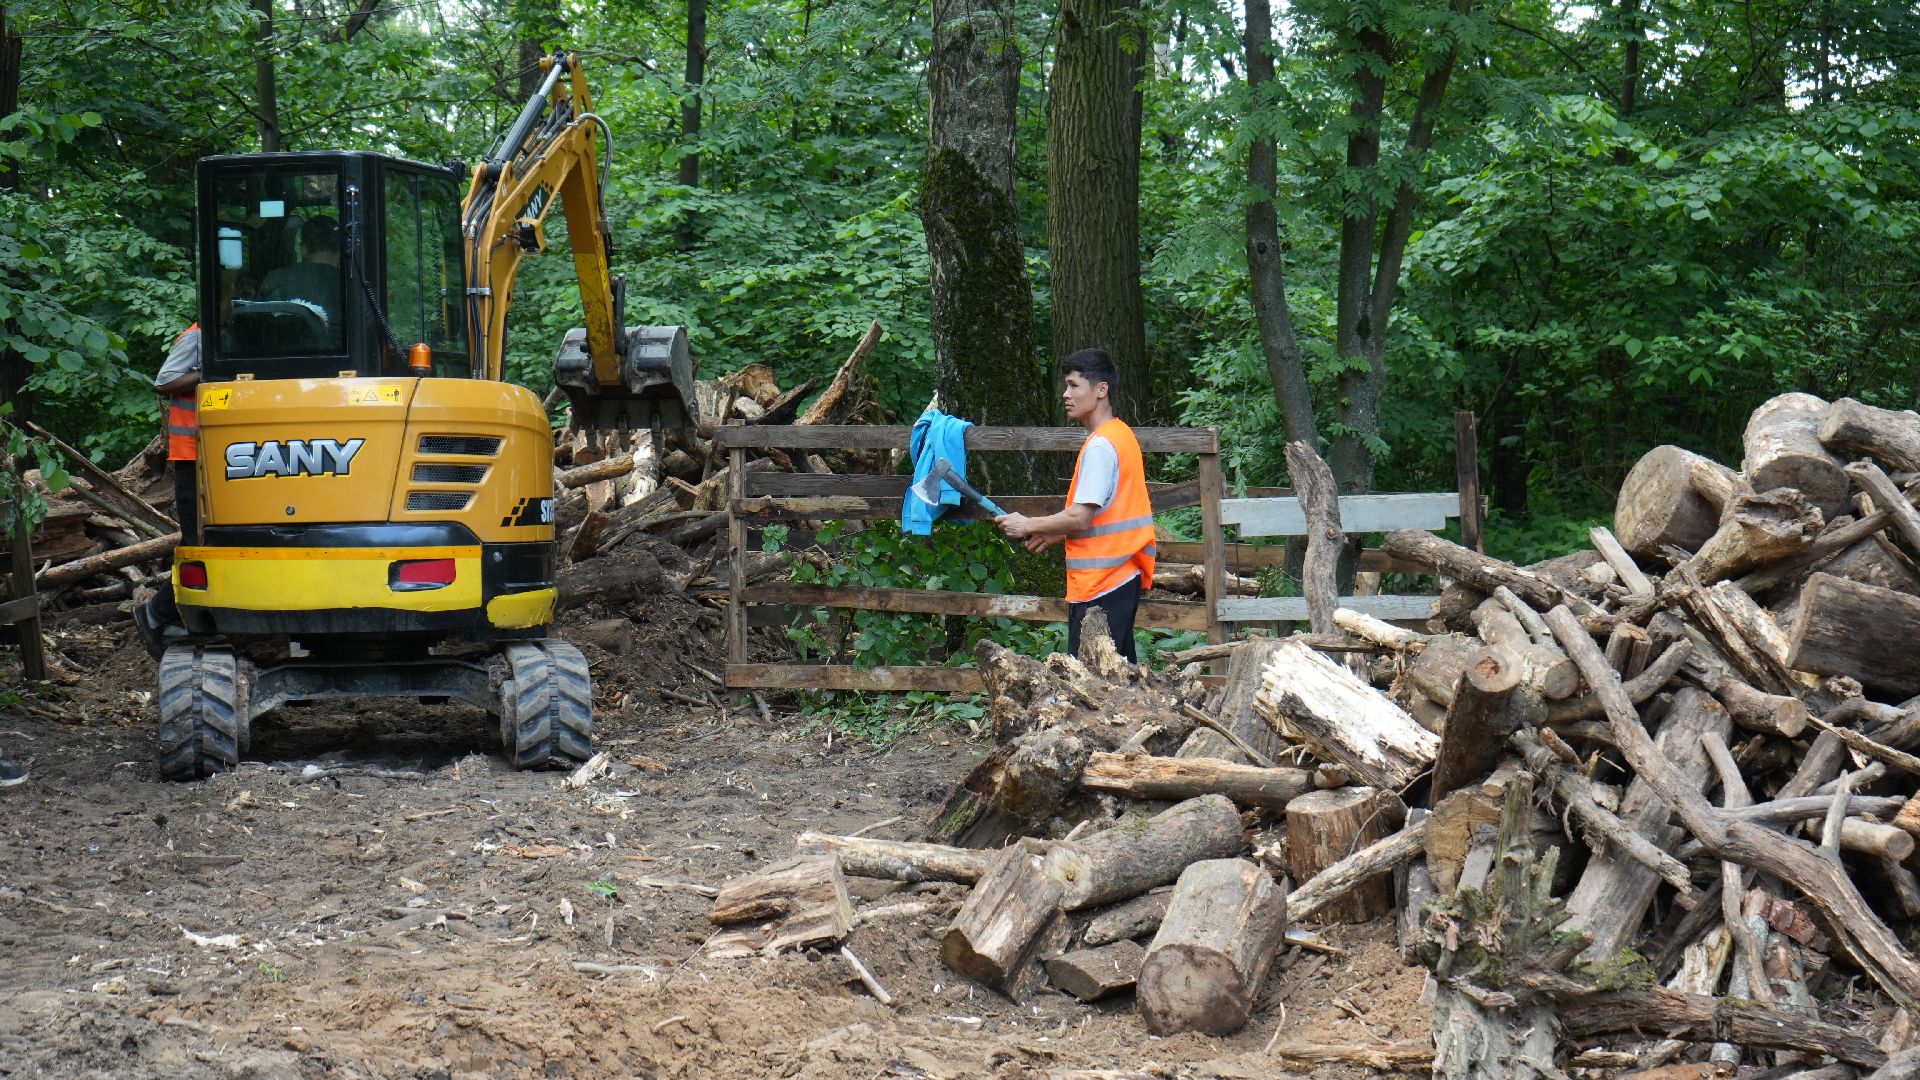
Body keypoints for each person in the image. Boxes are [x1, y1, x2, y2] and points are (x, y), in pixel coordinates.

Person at [995, 348, 1156, 662]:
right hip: (1119, 576)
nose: (1065, 394)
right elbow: (1105, 512)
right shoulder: (1121, 434)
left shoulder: (1100, 446)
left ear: (1100, 390)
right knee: (1119, 679)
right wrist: (1058, 532)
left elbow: (1081, 517)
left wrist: (1027, 525)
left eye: (1073, 385)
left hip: (1102, 585)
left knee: (1092, 687)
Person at [135, 324, 200, 658]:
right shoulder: (200, 335)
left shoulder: (227, 333)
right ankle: (158, 612)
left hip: (215, 452)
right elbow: (164, 381)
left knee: (206, 543)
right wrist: (209, 373)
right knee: (196, 543)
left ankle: (178, 616)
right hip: (192, 451)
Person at [259, 215, 343, 322]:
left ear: (303, 249)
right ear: (341, 249)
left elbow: (260, 324)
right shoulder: (352, 286)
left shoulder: (274, 280)